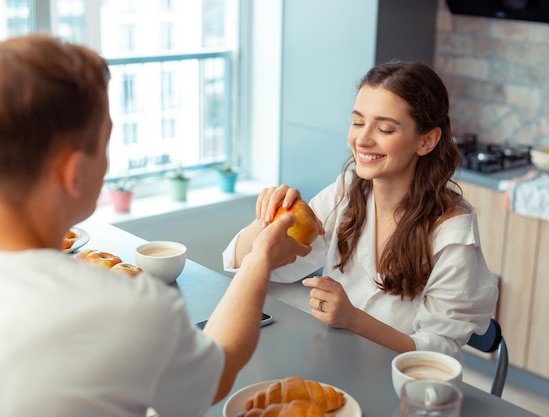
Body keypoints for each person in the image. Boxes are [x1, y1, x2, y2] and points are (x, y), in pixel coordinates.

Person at [0, 34, 311, 416]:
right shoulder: (124, 306)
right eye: (104, 144)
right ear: (75, 173)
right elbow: (217, 373)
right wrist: (259, 259)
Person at [223, 61, 499, 360]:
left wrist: (354, 320)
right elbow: (254, 266)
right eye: (357, 122)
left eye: (384, 128)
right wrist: (268, 221)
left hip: (403, 383)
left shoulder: (452, 232)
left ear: (427, 140)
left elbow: (439, 352)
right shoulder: (347, 190)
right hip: (339, 360)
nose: (363, 139)